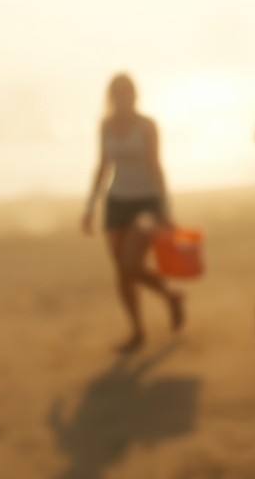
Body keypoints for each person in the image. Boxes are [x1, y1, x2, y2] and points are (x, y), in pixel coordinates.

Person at [81, 73, 184, 353]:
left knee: (131, 264)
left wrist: (165, 208)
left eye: (127, 91)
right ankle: (137, 331)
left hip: (147, 203)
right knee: (122, 272)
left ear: (135, 94)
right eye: (117, 92)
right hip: (116, 202)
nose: (122, 96)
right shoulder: (105, 125)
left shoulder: (147, 125)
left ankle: (170, 295)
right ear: (111, 96)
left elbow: (155, 165)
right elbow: (103, 166)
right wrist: (90, 207)